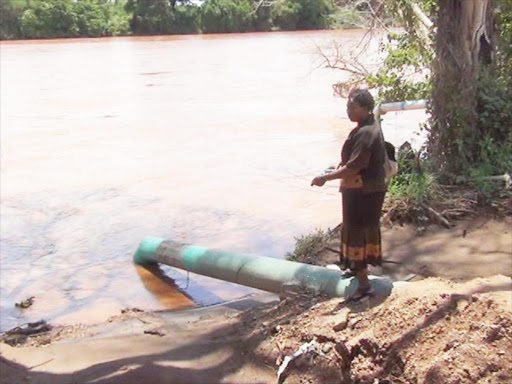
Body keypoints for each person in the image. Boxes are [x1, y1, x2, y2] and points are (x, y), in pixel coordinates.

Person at [311, 88, 387, 299]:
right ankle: (357, 270)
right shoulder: (367, 127)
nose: (348, 111)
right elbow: (353, 162)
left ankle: (364, 286)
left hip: (364, 191)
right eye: (347, 107)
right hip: (365, 189)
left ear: (365, 108)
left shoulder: (366, 133)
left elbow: (354, 167)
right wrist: (338, 167)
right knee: (360, 229)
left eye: (352, 107)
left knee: (356, 232)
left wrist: (325, 178)